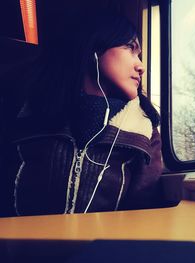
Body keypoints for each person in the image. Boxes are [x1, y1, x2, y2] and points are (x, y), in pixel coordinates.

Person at [1, 8, 163, 216]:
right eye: (130, 48)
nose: (140, 66)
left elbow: (143, 211)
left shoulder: (144, 129)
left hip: (103, 247)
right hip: (19, 243)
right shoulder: (23, 111)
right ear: (94, 48)